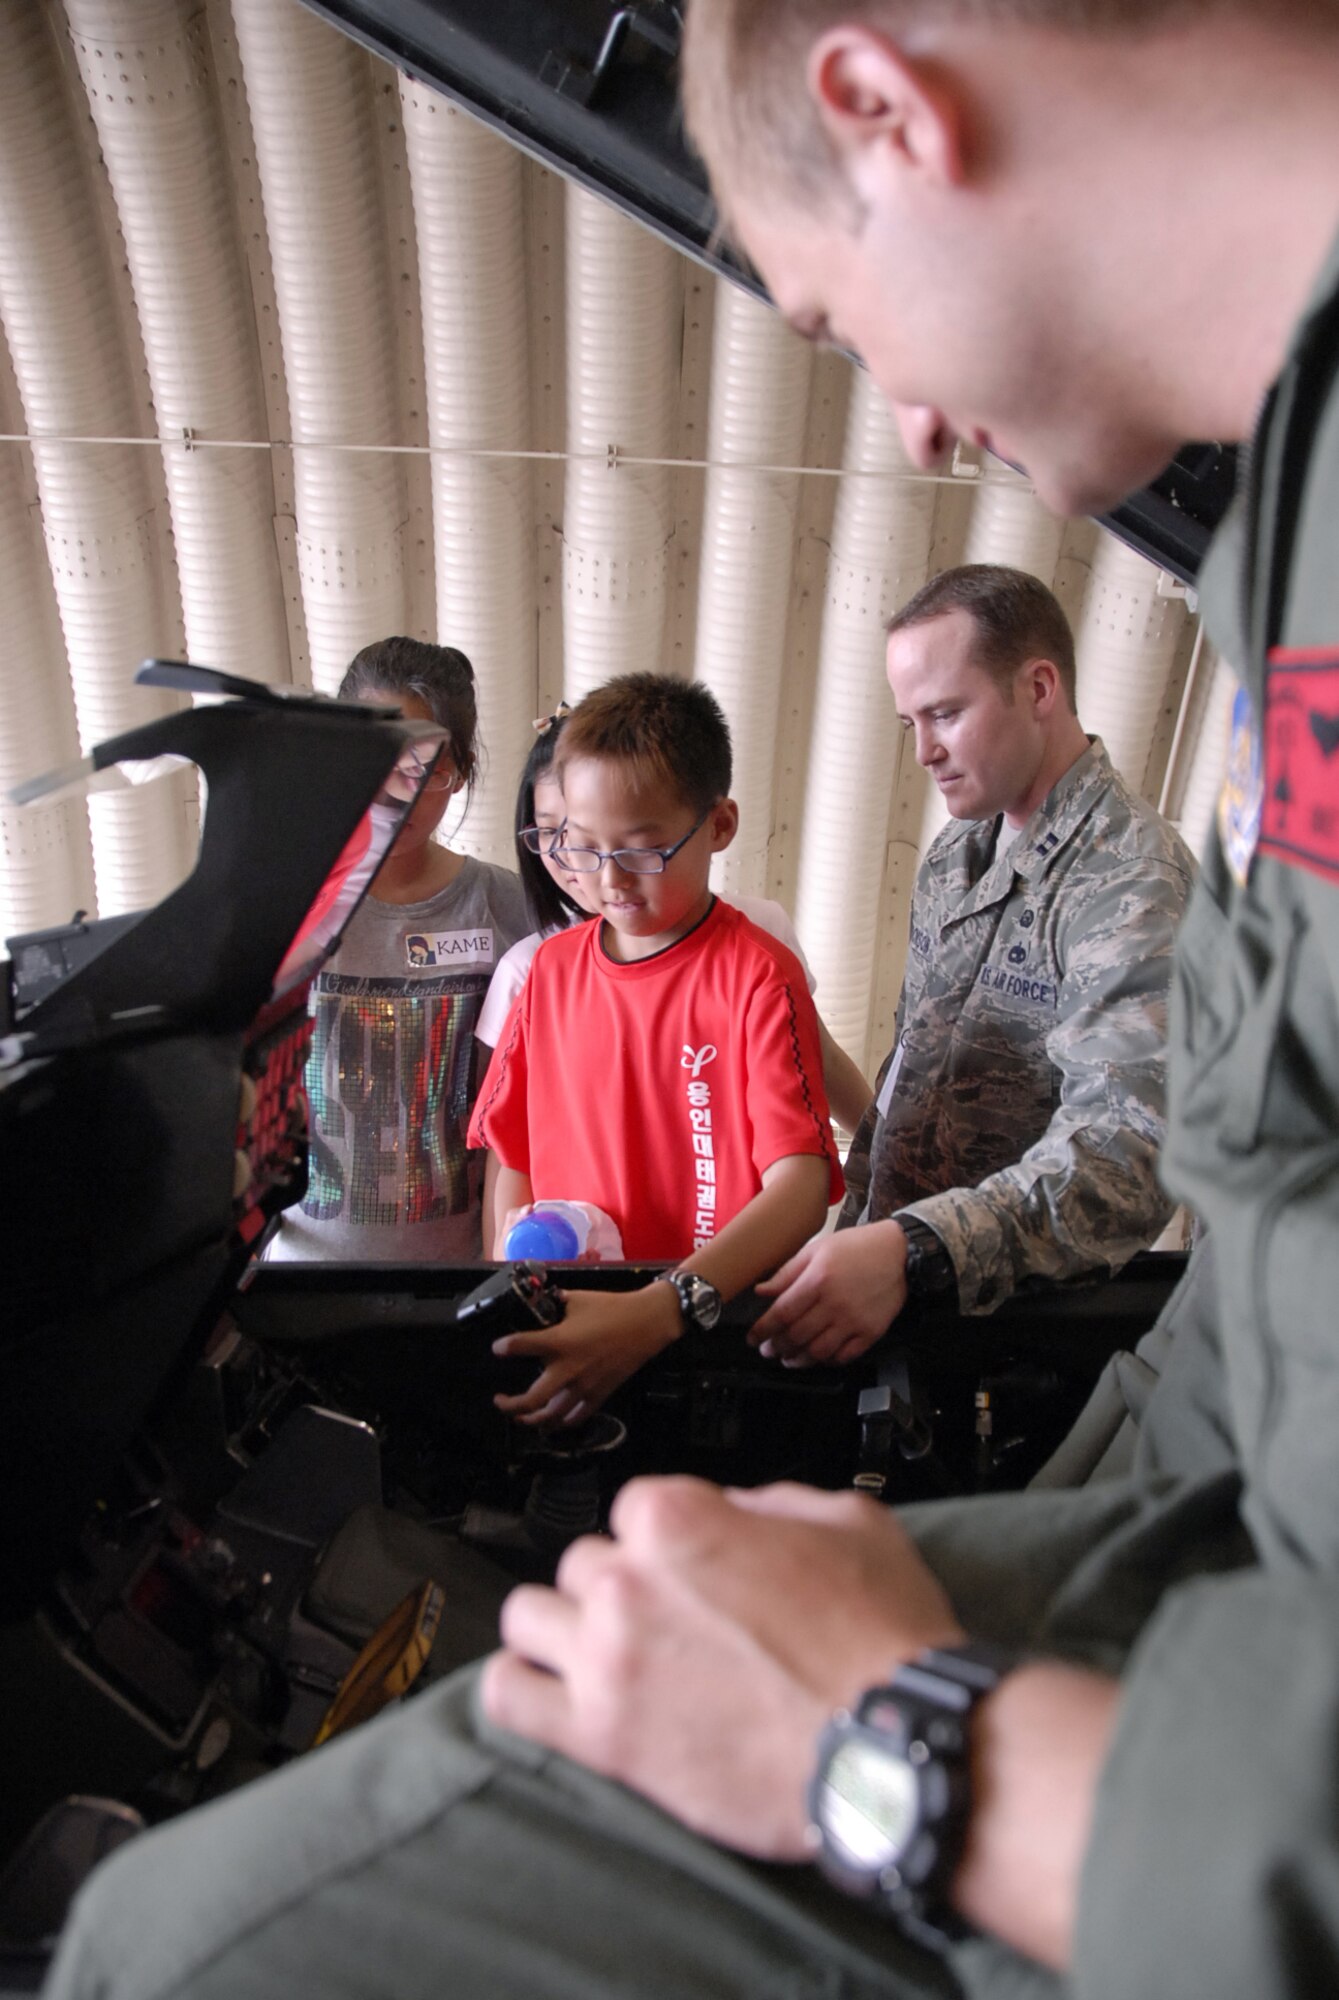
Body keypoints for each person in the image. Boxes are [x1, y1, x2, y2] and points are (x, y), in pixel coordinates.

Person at [44, 3, 1339, 1996]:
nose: (906, 423)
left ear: (880, 106)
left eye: (835, 323)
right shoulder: (1290, 547)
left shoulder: (1074, 828)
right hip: (1204, 1513)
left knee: (168, 1942)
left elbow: (1054, 1154)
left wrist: (892, 1734)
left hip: (1235, 1705)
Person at [751, 564, 1194, 1368]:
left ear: (1038, 686)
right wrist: (860, 1227)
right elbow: (908, 1080)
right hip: (889, 1289)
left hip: (1006, 1332)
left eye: (946, 713)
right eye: (909, 722)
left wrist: (914, 1248)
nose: (923, 751)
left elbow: (1128, 1154)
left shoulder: (1130, 880)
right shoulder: (960, 852)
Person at [466, 671, 845, 1425]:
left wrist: (665, 1307)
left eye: (640, 853)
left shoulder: (755, 978)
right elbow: (511, 1155)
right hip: (568, 1330)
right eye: (579, 847)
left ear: (719, 824)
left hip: (703, 1334)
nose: (607, 881)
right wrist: (514, 1290)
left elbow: (798, 1188)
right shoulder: (548, 974)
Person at [474, 706, 874, 1130]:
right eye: (552, 833)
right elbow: (507, 1132)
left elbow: (817, 1059)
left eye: (592, 833)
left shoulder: (759, 935)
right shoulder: (533, 968)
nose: (575, 858)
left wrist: (883, 1156)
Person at [270, 637, 527, 1263]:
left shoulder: (507, 908)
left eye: (429, 766)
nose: (399, 790)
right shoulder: (284, 902)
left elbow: (529, 1115)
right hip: (297, 1273)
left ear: (461, 771)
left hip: (451, 1280)